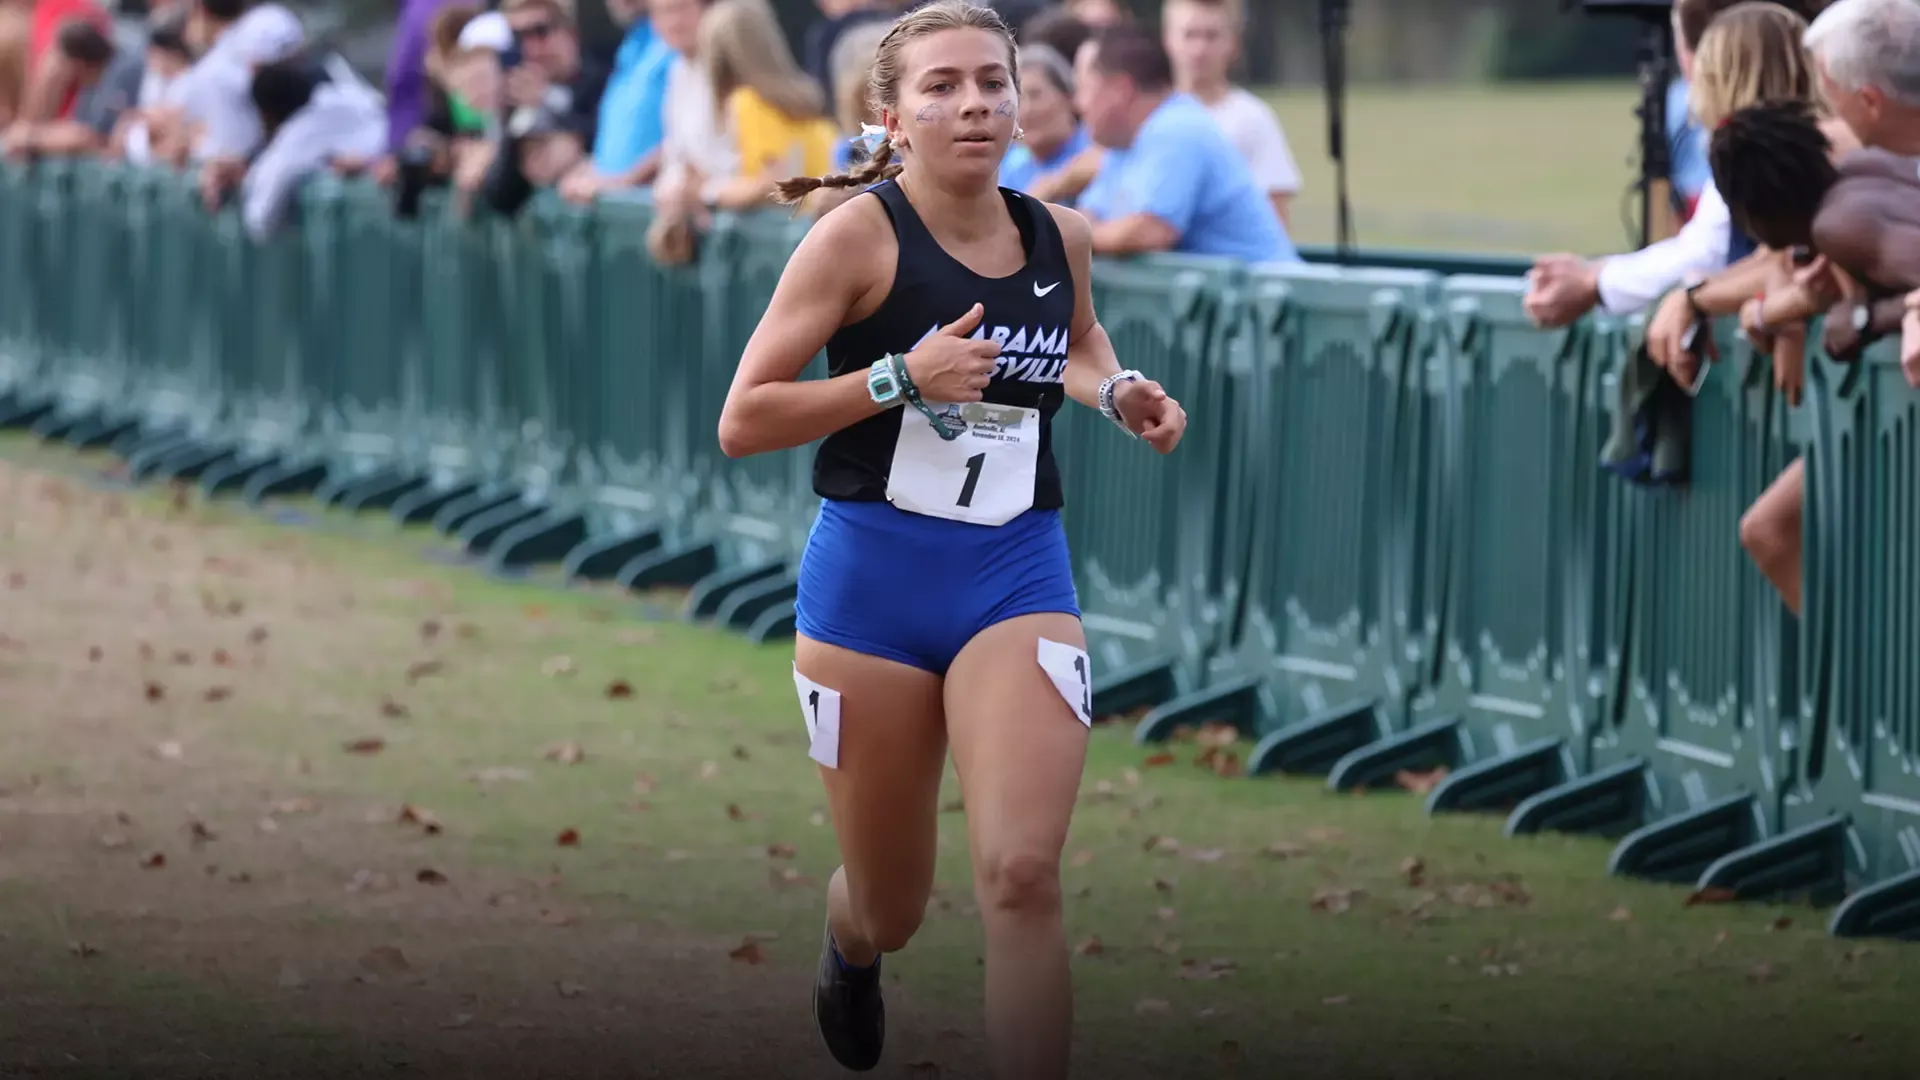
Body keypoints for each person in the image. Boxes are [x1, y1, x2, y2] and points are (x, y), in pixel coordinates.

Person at [714, 3, 1186, 1077]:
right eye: (941, 86)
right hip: (871, 589)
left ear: (1021, 100)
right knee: (893, 906)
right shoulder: (856, 237)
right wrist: (897, 379)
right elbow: (744, 418)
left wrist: (1116, 391)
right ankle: (848, 940)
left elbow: (1067, 341)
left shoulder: (1060, 231)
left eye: (992, 81)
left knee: (1021, 873)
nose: (972, 103)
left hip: (1013, 571)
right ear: (893, 115)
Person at [1071, 20, 1294, 261]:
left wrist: (1071, 237)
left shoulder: (1177, 129)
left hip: (1268, 295)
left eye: (1085, 89)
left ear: (1121, 90)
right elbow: (1088, 217)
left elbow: (1149, 231)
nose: (1079, 104)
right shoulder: (1123, 142)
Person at [1160, 0, 1300, 229]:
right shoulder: (1147, 116)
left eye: (1211, 36)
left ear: (1233, 44)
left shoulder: (1253, 119)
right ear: (1168, 40)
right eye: (1189, 35)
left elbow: (1275, 220)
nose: (1199, 49)